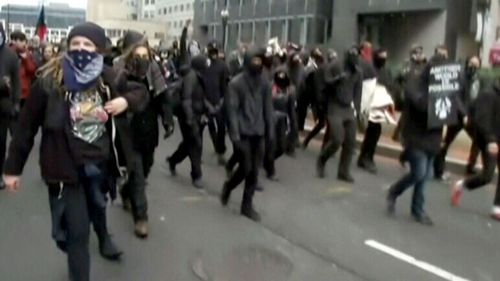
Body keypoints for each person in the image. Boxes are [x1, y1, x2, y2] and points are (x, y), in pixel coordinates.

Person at [2, 22, 148, 281]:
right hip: (64, 170)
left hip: (99, 167)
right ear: (68, 47)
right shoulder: (49, 83)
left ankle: (100, 242)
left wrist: (126, 101)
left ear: (100, 50)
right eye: (76, 44)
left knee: (91, 216)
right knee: (71, 234)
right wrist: (12, 170)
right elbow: (24, 130)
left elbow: (141, 91)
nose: (81, 49)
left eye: (88, 45)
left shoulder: (109, 78)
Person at [387, 52, 465, 226]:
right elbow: (421, 106)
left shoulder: (446, 90)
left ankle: (417, 209)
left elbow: (458, 107)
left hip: (433, 138)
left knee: (425, 175)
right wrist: (437, 92)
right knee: (419, 172)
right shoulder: (414, 85)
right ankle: (394, 191)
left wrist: (462, 112)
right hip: (415, 136)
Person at [114, 30, 174, 238]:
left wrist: (167, 120)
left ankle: (125, 191)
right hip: (128, 130)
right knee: (138, 173)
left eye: (144, 54)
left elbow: (162, 97)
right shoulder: (118, 70)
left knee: (146, 167)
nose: (142, 59)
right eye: (137, 54)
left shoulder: (153, 69)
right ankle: (141, 217)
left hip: (148, 129)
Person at [221, 47, 274, 222]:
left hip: (258, 132)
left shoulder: (265, 83)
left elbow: (268, 108)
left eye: (260, 61)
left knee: (253, 172)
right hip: (242, 133)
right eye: (254, 60)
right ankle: (229, 186)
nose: (257, 64)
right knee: (245, 168)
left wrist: (270, 131)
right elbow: (232, 111)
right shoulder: (236, 84)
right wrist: (235, 135)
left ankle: (247, 205)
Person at [451, 75, 500, 221]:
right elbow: (481, 119)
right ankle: (462, 185)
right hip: (489, 140)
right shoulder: (488, 95)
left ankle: (497, 207)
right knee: (487, 176)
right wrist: (490, 140)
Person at [316, 46, 362, 182]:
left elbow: (358, 92)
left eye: (357, 55)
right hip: (334, 106)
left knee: (350, 142)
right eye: (352, 54)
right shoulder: (336, 66)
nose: (355, 57)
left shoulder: (358, 72)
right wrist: (337, 79)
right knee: (337, 138)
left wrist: (357, 110)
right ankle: (322, 159)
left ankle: (343, 171)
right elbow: (325, 81)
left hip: (348, 108)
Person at [434, 55, 482, 179]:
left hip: (472, 117)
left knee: (478, 141)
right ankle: (438, 169)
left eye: (476, 65)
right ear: (467, 63)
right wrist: (464, 114)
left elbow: (477, 98)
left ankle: (471, 166)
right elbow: (456, 97)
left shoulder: (477, 80)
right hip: (457, 116)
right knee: (446, 142)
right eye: (471, 64)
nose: (473, 67)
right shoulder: (460, 77)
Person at [167, 55, 208, 189]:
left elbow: (200, 98)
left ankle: (173, 160)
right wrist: (190, 118)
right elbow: (186, 99)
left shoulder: (198, 76)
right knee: (195, 144)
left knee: (188, 145)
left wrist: (209, 109)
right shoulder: (191, 77)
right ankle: (196, 175)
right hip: (188, 116)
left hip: (195, 115)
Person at [358, 48, 396, 174]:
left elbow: (390, 85)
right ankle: (366, 158)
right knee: (373, 132)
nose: (383, 59)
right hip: (370, 104)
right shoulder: (369, 69)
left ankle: (365, 157)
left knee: (374, 132)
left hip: (380, 105)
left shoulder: (386, 71)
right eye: (381, 56)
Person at [263, 67, 298, 179]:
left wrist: (294, 125)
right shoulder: (269, 87)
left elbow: (291, 109)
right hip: (269, 118)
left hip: (282, 119)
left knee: (282, 147)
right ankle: (271, 171)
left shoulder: (290, 91)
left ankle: (267, 161)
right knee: (271, 143)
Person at [0, 23, 21, 190]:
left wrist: (16, 102)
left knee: (0, 142)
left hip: (3, 105)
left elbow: (16, 82)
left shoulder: (10, 55)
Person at [204, 40, 229, 165]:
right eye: (211, 51)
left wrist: (222, 101)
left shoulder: (223, 66)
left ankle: (221, 150)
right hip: (206, 101)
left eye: (215, 51)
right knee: (210, 126)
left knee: (221, 128)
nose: (213, 54)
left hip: (219, 101)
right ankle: (217, 149)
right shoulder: (204, 64)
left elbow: (225, 85)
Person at [9, 31, 36, 107]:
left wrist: (26, 59)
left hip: (24, 92)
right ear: (14, 41)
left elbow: (32, 71)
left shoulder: (27, 54)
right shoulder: (7, 53)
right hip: (10, 92)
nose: (24, 43)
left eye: (24, 41)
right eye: (21, 41)